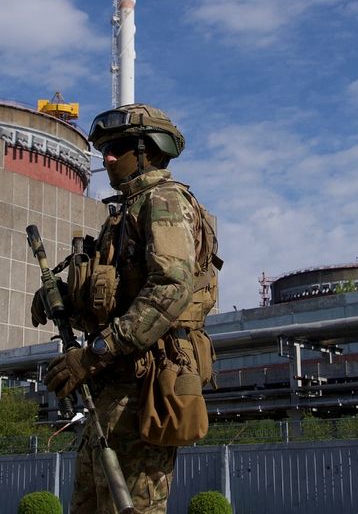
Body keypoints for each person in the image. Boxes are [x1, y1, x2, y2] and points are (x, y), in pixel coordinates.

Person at [33, 103, 219, 513]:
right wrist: (63, 298)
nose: (108, 158)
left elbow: (171, 287)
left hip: (145, 388)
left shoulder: (164, 201)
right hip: (113, 387)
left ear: (148, 151)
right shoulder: (125, 213)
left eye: (118, 147)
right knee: (89, 504)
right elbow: (115, 303)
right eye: (104, 149)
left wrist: (96, 352)